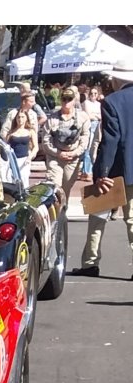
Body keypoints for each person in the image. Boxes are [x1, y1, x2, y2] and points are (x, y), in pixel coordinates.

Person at [73, 64, 133, 277]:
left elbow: (110, 141)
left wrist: (102, 173)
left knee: (98, 216)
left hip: (116, 170)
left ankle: (90, 262)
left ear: (116, 80)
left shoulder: (112, 101)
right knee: (132, 221)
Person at [43, 87, 91, 204]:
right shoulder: (52, 119)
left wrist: (75, 153)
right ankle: (55, 212)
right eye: (64, 99)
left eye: (69, 99)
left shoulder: (83, 117)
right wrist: (57, 153)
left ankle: (63, 213)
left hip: (73, 159)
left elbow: (85, 138)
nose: (66, 102)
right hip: (55, 157)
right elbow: (45, 140)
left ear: (74, 100)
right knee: (55, 187)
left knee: (65, 190)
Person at [1, 91, 40, 187]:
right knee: (11, 180)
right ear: (24, 102)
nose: (33, 104)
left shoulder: (33, 114)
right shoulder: (13, 113)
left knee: (24, 180)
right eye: (31, 101)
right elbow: (4, 132)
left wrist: (31, 153)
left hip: (26, 153)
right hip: (13, 153)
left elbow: (35, 132)